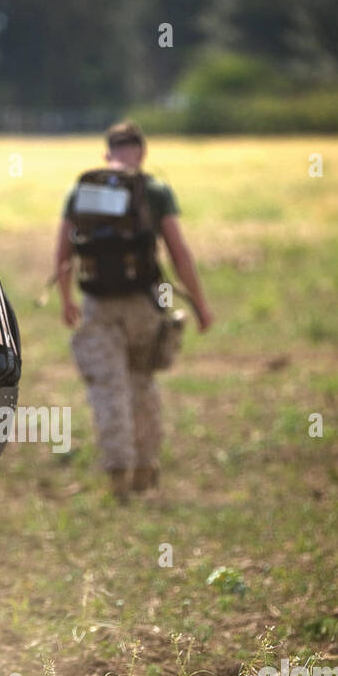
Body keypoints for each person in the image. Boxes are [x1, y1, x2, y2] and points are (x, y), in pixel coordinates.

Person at [53, 121, 214, 500]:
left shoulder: (82, 190)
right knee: (141, 382)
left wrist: (66, 299)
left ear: (107, 153)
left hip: (97, 305)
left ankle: (118, 473)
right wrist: (201, 305)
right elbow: (179, 252)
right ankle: (145, 465)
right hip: (145, 303)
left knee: (108, 389)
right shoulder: (154, 191)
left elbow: (62, 253)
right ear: (142, 152)